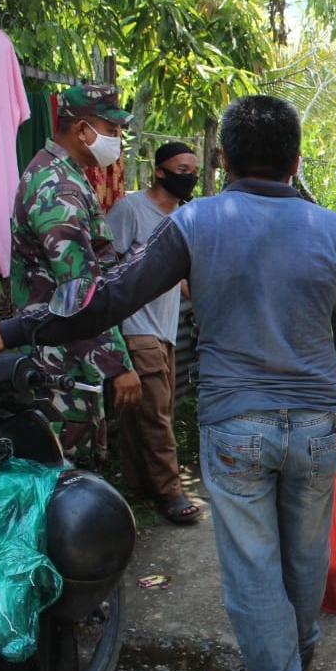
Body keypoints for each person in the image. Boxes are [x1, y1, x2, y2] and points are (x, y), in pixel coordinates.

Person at [0, 95, 336, 671]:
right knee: (305, 554)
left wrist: (8, 329)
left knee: (253, 566)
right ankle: (295, 657)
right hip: (312, 424)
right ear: (296, 160)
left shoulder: (198, 223)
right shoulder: (333, 229)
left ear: (223, 157)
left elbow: (109, 296)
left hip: (235, 426)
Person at [10, 84, 141, 469]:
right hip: (58, 363)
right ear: (83, 130)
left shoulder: (64, 176)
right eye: (111, 130)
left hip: (67, 355)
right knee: (67, 480)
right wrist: (118, 365)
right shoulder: (58, 188)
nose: (117, 140)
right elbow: (78, 288)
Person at [105, 142, 200, 524]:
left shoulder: (183, 217)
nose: (190, 175)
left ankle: (137, 485)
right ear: (160, 171)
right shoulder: (131, 210)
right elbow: (107, 266)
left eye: (194, 169)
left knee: (143, 411)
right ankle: (171, 492)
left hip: (165, 329)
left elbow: (177, 273)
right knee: (158, 413)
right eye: (181, 168)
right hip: (136, 326)